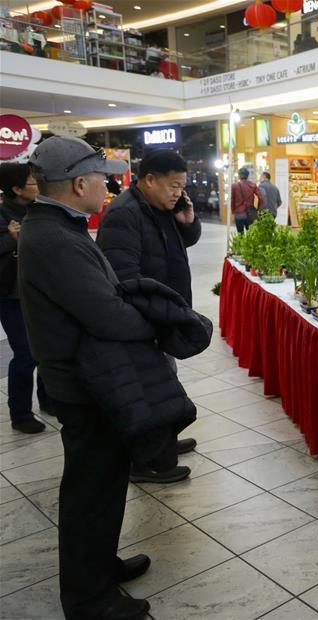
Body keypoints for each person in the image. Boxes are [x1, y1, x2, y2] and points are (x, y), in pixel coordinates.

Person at [19, 136, 156, 620]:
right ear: (79, 184)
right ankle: (88, 598)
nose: (110, 185)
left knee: (103, 481)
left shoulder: (58, 226)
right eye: (103, 177)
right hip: (83, 383)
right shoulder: (54, 238)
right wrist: (154, 324)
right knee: (90, 489)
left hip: (88, 377)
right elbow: (108, 315)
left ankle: (99, 565)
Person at [98, 149, 198, 484]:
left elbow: (177, 244)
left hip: (166, 314)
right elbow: (126, 279)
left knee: (164, 384)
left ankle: (163, 443)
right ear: (150, 179)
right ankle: (144, 462)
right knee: (148, 391)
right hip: (149, 319)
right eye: (173, 185)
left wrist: (188, 222)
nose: (177, 193)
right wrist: (153, 323)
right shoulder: (124, 214)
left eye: (181, 186)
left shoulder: (160, 207)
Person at [0, 163, 49, 433]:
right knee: (25, 353)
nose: (37, 186)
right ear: (16, 189)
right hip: (11, 295)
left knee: (46, 348)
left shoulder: (38, 209)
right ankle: (20, 414)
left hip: (39, 291)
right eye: (32, 182)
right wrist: (10, 238)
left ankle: (48, 399)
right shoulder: (2, 215)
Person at [230, 167, 265, 234]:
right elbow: (261, 198)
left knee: (240, 235)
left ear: (239, 175)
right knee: (251, 236)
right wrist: (257, 209)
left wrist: (233, 211)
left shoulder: (234, 186)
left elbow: (232, 201)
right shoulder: (253, 185)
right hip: (250, 214)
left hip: (238, 214)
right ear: (248, 175)